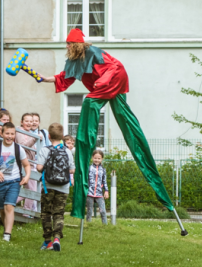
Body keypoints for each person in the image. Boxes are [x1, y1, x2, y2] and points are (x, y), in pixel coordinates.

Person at [41, 29, 176, 220]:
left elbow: (113, 67)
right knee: (106, 107)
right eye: (67, 44)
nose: (67, 47)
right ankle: (88, 140)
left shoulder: (94, 52)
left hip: (114, 79)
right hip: (103, 85)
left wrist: (103, 80)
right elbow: (65, 76)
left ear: (78, 44)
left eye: (70, 44)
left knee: (89, 101)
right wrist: (44, 79)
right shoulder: (74, 61)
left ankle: (89, 136)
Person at [0, 122, 31, 242]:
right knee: (2, 208)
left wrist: (27, 176)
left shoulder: (18, 149)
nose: (10, 136)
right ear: (2, 134)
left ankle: (7, 234)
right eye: (7, 133)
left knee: (9, 206)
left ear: (15, 135)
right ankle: (6, 227)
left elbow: (26, 165)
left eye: (12, 134)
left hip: (14, 181)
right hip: (0, 182)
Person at [35, 123, 75, 252]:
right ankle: (57, 237)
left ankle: (48, 241)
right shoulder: (67, 151)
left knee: (46, 213)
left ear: (50, 136)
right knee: (59, 213)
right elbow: (72, 170)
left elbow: (39, 168)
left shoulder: (45, 150)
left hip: (48, 187)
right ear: (63, 137)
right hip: (63, 187)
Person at [15, 113, 38, 211]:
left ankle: (9, 202)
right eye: (27, 121)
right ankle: (26, 212)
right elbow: (22, 145)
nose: (29, 123)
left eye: (31, 121)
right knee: (32, 191)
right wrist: (34, 138)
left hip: (31, 164)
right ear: (22, 122)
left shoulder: (30, 133)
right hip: (24, 164)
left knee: (31, 190)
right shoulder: (19, 131)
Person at [85, 149, 109, 224]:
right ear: (92, 158)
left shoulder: (103, 170)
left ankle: (105, 225)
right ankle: (88, 224)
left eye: (99, 158)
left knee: (103, 211)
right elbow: (85, 179)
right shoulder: (89, 168)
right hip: (90, 193)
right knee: (89, 211)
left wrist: (106, 191)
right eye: (95, 158)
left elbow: (104, 181)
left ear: (102, 159)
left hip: (99, 193)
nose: (97, 160)